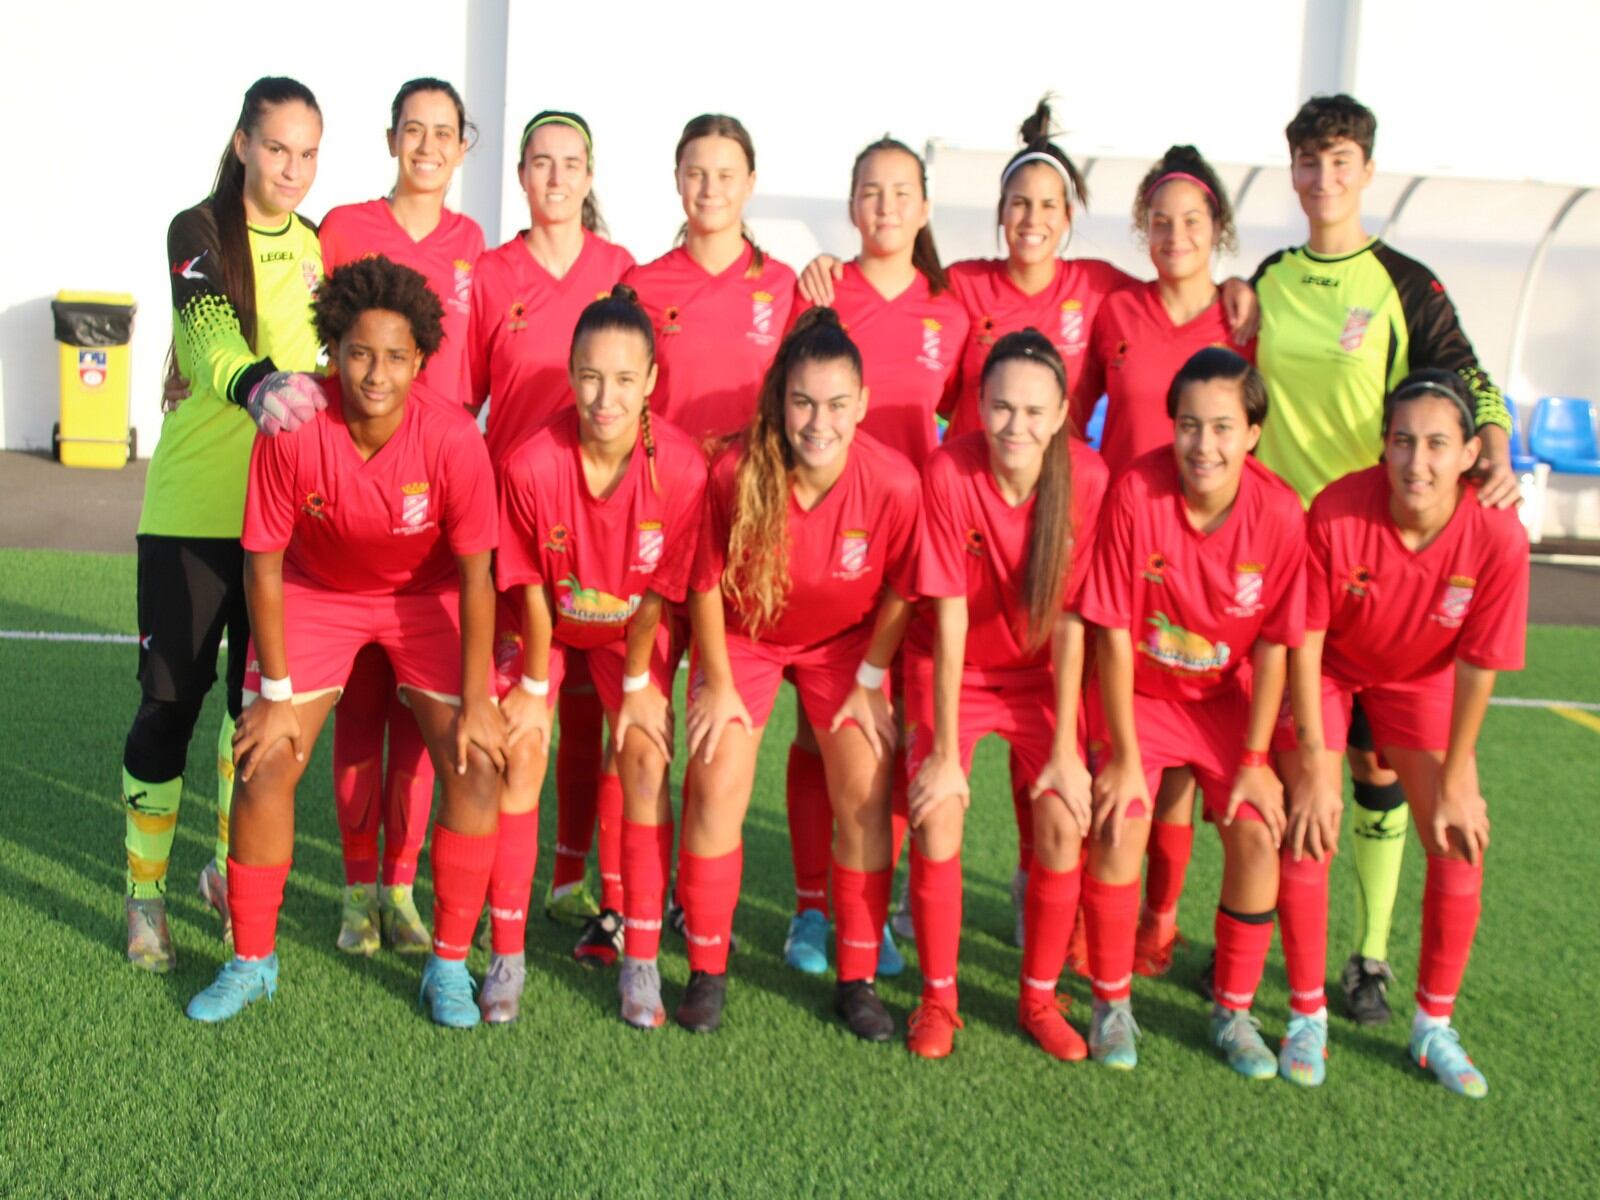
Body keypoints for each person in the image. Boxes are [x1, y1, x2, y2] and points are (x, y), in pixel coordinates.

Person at [1251, 93, 1518, 1025]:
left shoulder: (1404, 281)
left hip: (1383, 547)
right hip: (1294, 551)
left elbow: (1468, 374)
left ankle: (1369, 954)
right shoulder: (1271, 278)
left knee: (1379, 769)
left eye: (1340, 163)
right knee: (1293, 767)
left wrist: (1494, 441)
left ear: (1366, 171)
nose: (1323, 180)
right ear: (1292, 173)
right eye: (1308, 163)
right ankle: (1258, 945)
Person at [184, 256, 505, 1027]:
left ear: (421, 359)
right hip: (314, 592)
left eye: (396, 356)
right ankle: (251, 961)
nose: (376, 373)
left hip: (422, 599)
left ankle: (449, 969)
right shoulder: (295, 428)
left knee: (476, 762)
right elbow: (262, 562)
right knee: (262, 764)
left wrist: (480, 702)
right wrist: (277, 697)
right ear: (333, 350)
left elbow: (476, 577)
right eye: (359, 352)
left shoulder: (454, 438)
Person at [1273, 369, 1528, 1096]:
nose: (1418, 462)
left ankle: (1432, 1027)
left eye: (1438, 445)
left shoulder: (1499, 537)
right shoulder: (1338, 510)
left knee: (1459, 837)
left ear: (1471, 452)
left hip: (1422, 681)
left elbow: (1480, 664)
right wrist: (1318, 763)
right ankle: (1306, 1015)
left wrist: (1456, 779)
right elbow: (1308, 641)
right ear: (1382, 447)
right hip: (1330, 672)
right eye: (1404, 442)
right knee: (1309, 822)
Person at [123, 76, 324, 973]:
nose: (292, 167)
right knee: (172, 705)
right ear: (243, 143)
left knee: (256, 715)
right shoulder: (197, 229)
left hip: (280, 529)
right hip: (194, 514)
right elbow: (205, 335)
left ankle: (218, 868)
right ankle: (145, 897)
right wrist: (257, 385)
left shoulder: (320, 245)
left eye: (308, 153)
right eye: (277, 147)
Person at [678, 308, 921, 1039]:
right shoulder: (734, 470)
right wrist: (716, 682)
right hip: (747, 639)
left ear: (863, 405)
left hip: (842, 646)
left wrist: (872, 675)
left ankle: (858, 979)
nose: (819, 422)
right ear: (781, 398)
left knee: (866, 792)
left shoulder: (893, 482)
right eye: (804, 402)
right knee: (717, 775)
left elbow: (906, 586)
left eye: (837, 405)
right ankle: (706, 970)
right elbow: (704, 583)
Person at [1078, 347, 1305, 1077]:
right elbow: (1112, 630)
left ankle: (1233, 1012)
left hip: (1223, 701)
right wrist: (1119, 751)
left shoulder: (1278, 510)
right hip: (1140, 693)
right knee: (1120, 817)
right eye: (1187, 426)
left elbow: (1274, 646)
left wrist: (1255, 762)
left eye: (1221, 427)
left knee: (1257, 831)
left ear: (1252, 433)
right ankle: (1112, 1004)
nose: (1203, 445)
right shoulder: (1134, 493)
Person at [494, 285, 707, 1030]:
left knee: (646, 755)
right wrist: (528, 685)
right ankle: (506, 952)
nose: (604, 396)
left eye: (623, 379)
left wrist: (644, 680)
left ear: (651, 380)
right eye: (590, 376)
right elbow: (526, 587)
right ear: (569, 370)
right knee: (520, 751)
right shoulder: (529, 464)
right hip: (546, 623)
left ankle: (642, 961)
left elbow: (660, 590)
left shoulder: (683, 470)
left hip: (629, 635)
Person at [777, 136, 966, 978]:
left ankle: (876, 913)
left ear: (925, 208)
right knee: (822, 737)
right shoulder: (819, 294)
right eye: (869, 192)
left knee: (887, 737)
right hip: (824, 550)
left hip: (909, 561)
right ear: (851, 205)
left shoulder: (951, 312)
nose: (885, 207)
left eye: (901, 193)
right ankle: (812, 909)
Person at [1068, 145, 1254, 981]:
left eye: (1193, 221)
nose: (1175, 234)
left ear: (1219, 230)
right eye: (1161, 220)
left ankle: (1162, 911)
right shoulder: (1113, 306)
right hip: (1122, 546)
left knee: (1180, 754)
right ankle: (1085, 901)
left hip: (1207, 559)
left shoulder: (1246, 319)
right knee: (1118, 735)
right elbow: (1073, 420)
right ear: (1142, 227)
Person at [316, 77, 486, 957]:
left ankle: (400, 887)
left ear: (464, 147)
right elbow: (307, 336)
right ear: (390, 140)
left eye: (443, 132)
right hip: (351, 501)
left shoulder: (473, 245)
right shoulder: (341, 227)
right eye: (412, 129)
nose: (427, 144)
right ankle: (353, 889)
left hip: (437, 510)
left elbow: (479, 375)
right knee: (360, 707)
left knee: (424, 725)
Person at [902, 329, 1106, 1060]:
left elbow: (1077, 617)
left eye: (1032, 411)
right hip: (953, 669)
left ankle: (1038, 999)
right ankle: (938, 999)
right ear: (977, 407)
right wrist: (947, 756)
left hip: (1042, 677)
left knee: (1061, 816)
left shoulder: (1087, 476)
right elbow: (949, 614)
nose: (1014, 426)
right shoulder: (950, 471)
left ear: (1060, 416)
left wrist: (1064, 752)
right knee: (939, 812)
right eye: (999, 408)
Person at [468, 110, 637, 964]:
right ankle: (495, 910)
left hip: (606, 547)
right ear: (524, 177)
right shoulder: (493, 275)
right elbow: (459, 403)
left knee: (618, 726)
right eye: (542, 163)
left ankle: (611, 902)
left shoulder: (620, 272)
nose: (557, 178)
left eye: (573, 163)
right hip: (519, 541)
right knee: (516, 728)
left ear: (590, 173)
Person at [622, 114, 797, 443]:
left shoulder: (783, 286)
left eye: (725, 176)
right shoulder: (641, 286)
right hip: (667, 483)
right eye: (696, 174)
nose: (710, 189)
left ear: (750, 182)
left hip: (752, 484)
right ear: (678, 180)